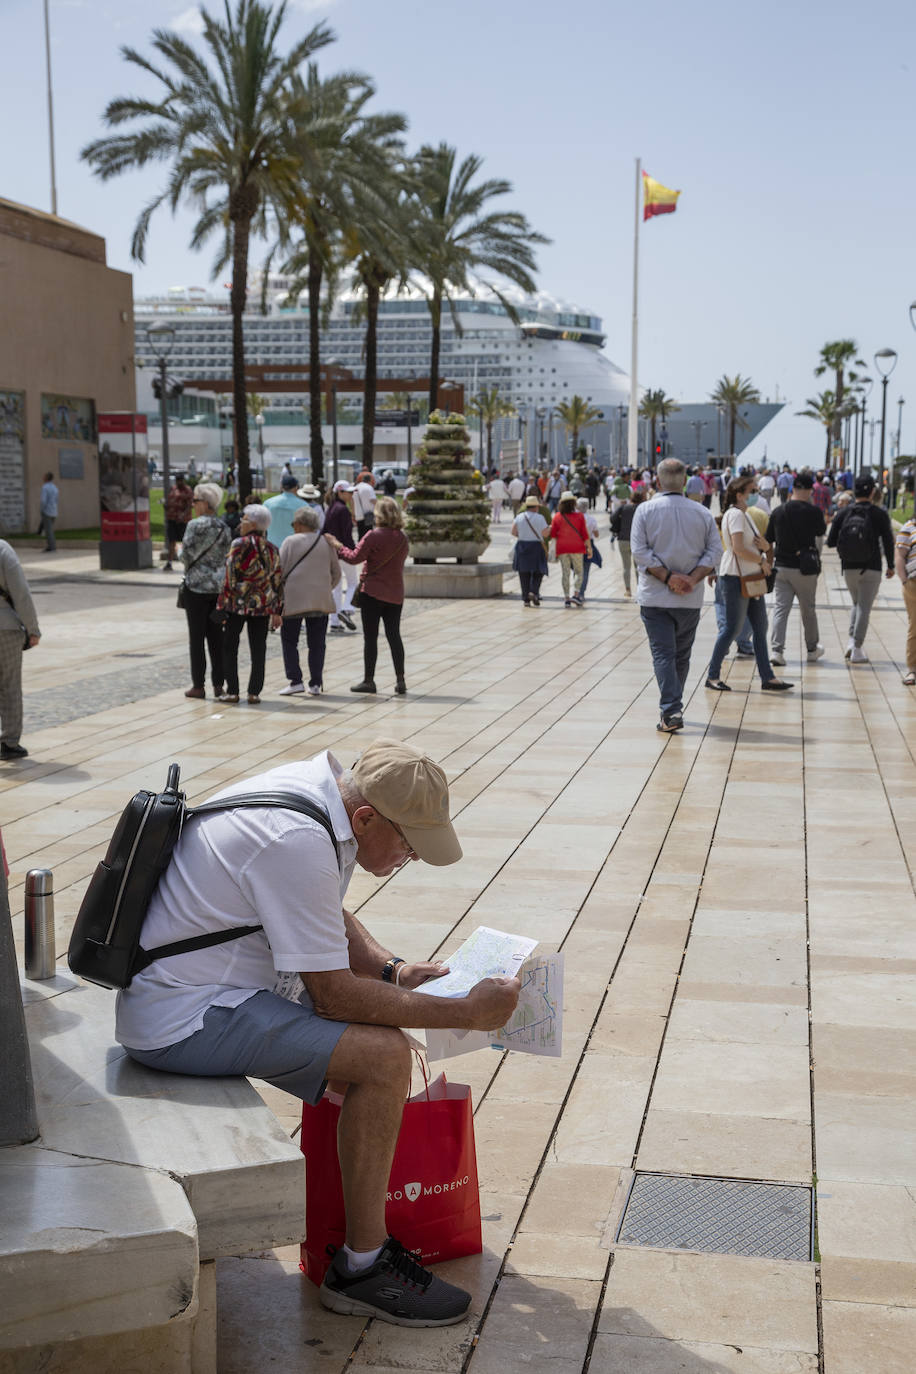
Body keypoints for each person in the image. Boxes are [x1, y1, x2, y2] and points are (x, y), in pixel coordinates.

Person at [115, 737, 520, 1327]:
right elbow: (332, 996)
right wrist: (467, 1013)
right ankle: (361, 1268)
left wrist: (394, 971)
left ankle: (353, 1222)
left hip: (200, 989)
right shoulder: (297, 838)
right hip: (182, 1016)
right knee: (382, 1055)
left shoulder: (312, 794)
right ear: (365, 817)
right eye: (408, 843)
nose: (408, 857)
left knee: (377, 1026)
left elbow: (319, 906)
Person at [631, 460, 722, 731]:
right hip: (689, 598)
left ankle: (671, 710)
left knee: (663, 653)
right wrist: (691, 578)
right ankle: (672, 708)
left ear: (657, 482)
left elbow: (640, 551)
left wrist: (669, 578)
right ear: (684, 482)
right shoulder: (702, 513)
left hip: (655, 597)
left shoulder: (645, 510)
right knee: (681, 655)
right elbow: (715, 551)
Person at [705, 476, 793, 696]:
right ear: (739, 494)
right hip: (735, 577)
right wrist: (762, 561)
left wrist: (764, 547)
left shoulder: (746, 516)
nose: (756, 493)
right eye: (752, 490)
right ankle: (713, 675)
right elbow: (737, 548)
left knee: (760, 627)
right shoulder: (735, 515)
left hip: (751, 577)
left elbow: (756, 544)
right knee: (731, 628)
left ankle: (767, 676)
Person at [330, 496, 409, 695]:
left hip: (373, 593)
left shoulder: (373, 535)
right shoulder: (403, 538)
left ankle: (369, 680)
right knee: (394, 636)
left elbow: (354, 557)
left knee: (371, 638)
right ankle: (400, 680)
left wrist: (337, 545)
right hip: (395, 592)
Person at [216, 505, 283, 704]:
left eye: (244, 520)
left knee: (230, 646)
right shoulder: (272, 548)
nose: (240, 523)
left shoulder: (239, 544)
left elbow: (229, 577)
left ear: (252, 523)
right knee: (258, 648)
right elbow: (278, 580)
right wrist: (278, 609)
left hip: (238, 604)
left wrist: (222, 604)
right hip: (262, 604)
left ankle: (233, 690)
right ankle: (254, 692)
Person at [826, 475, 895, 663]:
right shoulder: (879, 513)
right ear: (872, 491)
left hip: (848, 567)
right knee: (864, 606)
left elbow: (830, 541)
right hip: (872, 566)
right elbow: (888, 541)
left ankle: (851, 640)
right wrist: (890, 565)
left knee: (857, 603)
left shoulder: (843, 513)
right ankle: (856, 647)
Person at [273, 508, 340, 697]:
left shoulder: (290, 542)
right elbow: (336, 572)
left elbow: (280, 571)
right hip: (320, 599)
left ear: (300, 524)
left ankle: (295, 681)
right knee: (317, 643)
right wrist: (326, 587)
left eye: (294, 524)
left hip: (293, 598)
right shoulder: (325, 542)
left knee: (289, 641)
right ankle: (316, 682)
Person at [766, 469, 826, 665]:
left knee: (780, 609)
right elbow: (821, 532)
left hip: (781, 567)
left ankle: (777, 651)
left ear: (792, 488)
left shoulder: (778, 511)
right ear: (810, 490)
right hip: (805, 569)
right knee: (808, 609)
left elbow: (769, 540)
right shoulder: (814, 511)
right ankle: (811, 649)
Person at [181, 483, 231, 700]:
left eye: (195, 501)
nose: (193, 505)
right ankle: (219, 684)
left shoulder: (194, 525)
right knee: (216, 639)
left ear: (204, 503)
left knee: (196, 638)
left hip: (196, 587)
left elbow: (185, 555)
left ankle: (198, 685)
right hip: (217, 587)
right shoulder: (224, 527)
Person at [0, 541, 41, 759]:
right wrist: (33, 629)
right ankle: (9, 742)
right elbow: (20, 592)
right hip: (5, 628)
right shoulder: (3, 550)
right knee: (9, 686)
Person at [323, 481, 359, 634]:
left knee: (336, 588)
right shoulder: (343, 509)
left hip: (331, 552)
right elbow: (346, 534)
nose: (351, 495)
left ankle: (335, 621)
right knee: (353, 583)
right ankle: (346, 608)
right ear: (340, 492)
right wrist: (353, 551)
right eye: (348, 492)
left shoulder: (331, 508)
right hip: (343, 550)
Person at [547, 492, 590, 607]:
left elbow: (553, 534)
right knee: (579, 572)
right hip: (577, 547)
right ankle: (576, 595)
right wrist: (589, 548)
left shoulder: (557, 516)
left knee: (565, 572)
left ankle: (566, 598)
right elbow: (584, 534)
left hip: (562, 548)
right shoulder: (580, 516)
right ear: (573, 503)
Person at [510, 495, 549, 606]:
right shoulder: (540, 518)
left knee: (523, 572)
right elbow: (545, 533)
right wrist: (550, 529)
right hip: (536, 546)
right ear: (536, 507)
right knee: (538, 571)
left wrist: (522, 535)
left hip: (522, 546)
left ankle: (526, 598)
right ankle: (533, 591)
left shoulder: (519, 517)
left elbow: (513, 532)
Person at [609, 489, 644, 597]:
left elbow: (612, 518)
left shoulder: (623, 508)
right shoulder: (642, 509)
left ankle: (628, 590)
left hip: (623, 539)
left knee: (626, 566)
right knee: (638, 567)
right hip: (638, 541)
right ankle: (639, 588)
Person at [895, 511, 916, 685]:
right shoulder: (909, 528)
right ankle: (912, 669)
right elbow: (900, 556)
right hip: (913, 583)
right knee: (915, 626)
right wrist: (904, 580)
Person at [264, 473, 307, 549]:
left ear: (281, 487)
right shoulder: (304, 505)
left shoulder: (268, 503)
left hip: (272, 547)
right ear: (296, 487)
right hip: (295, 548)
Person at [163, 474, 193, 571]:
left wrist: (183, 515)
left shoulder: (187, 490)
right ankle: (169, 562)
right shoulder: (173, 489)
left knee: (185, 541)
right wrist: (166, 506)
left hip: (183, 521)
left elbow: (189, 505)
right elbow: (169, 501)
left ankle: (187, 563)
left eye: (180, 480)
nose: (179, 482)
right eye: (177, 480)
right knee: (172, 541)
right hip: (171, 518)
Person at [576, 497, 601, 601]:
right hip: (588, 545)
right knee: (585, 571)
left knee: (577, 571)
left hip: (576, 545)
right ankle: (581, 593)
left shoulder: (575, 518)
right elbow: (596, 534)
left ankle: (576, 591)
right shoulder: (591, 519)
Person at [351, 472, 377, 538]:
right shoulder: (369, 488)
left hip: (358, 516)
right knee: (368, 537)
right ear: (370, 480)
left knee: (360, 536)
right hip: (368, 516)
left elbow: (352, 502)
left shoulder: (356, 487)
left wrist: (353, 514)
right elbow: (373, 500)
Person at [39, 471, 59, 552]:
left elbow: (43, 500)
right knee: (50, 529)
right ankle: (51, 545)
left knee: (48, 530)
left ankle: (51, 546)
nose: (43, 477)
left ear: (47, 478)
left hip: (47, 511)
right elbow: (56, 500)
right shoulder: (55, 488)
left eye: (44, 476)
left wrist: (42, 509)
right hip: (54, 511)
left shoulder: (45, 487)